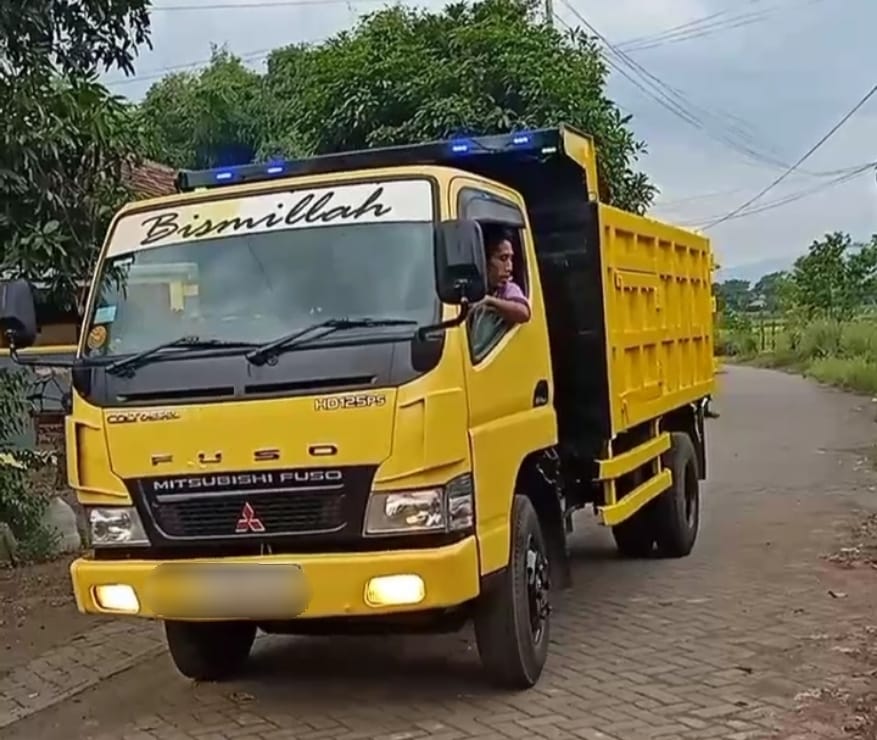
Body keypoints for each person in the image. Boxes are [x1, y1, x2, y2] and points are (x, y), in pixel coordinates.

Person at [479, 228, 531, 325]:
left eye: (510, 259)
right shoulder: (474, 287)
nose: (509, 267)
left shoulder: (508, 289)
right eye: (503, 258)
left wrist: (490, 301)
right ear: (485, 261)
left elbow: (524, 313)